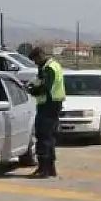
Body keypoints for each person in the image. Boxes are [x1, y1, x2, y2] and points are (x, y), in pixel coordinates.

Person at [26, 46, 65, 178]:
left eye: (35, 60)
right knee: (49, 137)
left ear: (40, 56)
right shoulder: (51, 66)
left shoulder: (49, 68)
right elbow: (41, 82)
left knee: (43, 136)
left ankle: (44, 169)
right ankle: (50, 168)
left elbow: (46, 87)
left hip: (48, 105)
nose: (35, 63)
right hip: (52, 104)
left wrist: (32, 90)